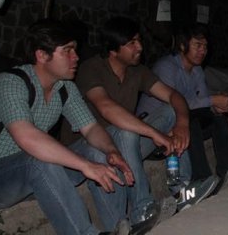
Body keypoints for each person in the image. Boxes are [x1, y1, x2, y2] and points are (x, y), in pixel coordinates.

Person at [61, 16, 218, 234]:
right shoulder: (91, 68)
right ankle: (142, 209)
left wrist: (182, 124)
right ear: (114, 49)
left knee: (170, 111)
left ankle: (181, 190)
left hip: (126, 146)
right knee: (127, 131)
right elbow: (106, 107)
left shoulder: (138, 71)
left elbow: (174, 96)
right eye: (132, 43)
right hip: (92, 146)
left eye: (139, 41)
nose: (140, 47)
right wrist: (154, 133)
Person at [0, 20, 133, 235]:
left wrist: (112, 151)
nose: (76, 57)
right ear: (42, 55)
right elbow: (28, 138)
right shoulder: (11, 83)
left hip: (33, 176)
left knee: (97, 151)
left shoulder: (64, 88)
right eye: (67, 51)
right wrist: (85, 165)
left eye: (75, 50)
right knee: (39, 161)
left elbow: (91, 129)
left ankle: (118, 227)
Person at [136, 23, 228, 193]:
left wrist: (217, 107)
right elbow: (173, 105)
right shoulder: (166, 67)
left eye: (205, 46)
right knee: (189, 122)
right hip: (155, 132)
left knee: (217, 119)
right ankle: (202, 179)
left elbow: (201, 103)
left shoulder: (197, 70)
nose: (203, 51)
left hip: (178, 125)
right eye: (197, 45)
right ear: (182, 45)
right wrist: (212, 100)